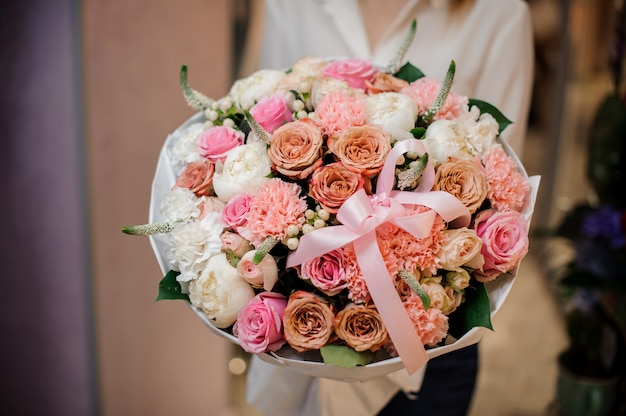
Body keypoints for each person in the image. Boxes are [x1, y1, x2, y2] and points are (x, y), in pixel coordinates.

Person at [240, 1, 535, 415]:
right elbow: (262, 122)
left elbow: (502, 174)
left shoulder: (498, 13)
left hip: (427, 356)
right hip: (298, 345)